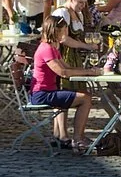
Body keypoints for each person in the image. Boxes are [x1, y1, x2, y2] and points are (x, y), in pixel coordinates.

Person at [27, 15, 100, 152]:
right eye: (64, 30)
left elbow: (67, 67)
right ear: (55, 31)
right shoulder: (46, 48)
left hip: (47, 91)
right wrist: (88, 73)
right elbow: (63, 73)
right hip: (41, 94)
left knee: (81, 95)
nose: (65, 34)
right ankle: (78, 138)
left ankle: (63, 136)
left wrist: (88, 70)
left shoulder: (53, 47)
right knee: (85, 98)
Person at [50, 0, 103, 65]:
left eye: (85, 2)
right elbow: (63, 39)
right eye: (80, 2)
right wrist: (86, 46)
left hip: (76, 57)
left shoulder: (78, 14)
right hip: (63, 57)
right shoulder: (62, 13)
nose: (84, 5)